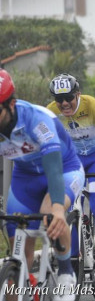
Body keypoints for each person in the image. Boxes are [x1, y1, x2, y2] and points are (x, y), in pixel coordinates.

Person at [0, 69, 84, 301]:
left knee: (50, 215)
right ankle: (23, 283)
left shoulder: (37, 119)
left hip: (64, 169)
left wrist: (58, 208)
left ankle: (67, 273)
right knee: (17, 240)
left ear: (11, 104)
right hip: (25, 177)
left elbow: (54, 168)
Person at [47, 73, 95, 287]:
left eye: (69, 97)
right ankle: (74, 258)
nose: (65, 104)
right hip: (73, 161)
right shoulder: (51, 112)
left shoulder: (91, 104)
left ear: (77, 94)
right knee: (70, 210)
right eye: (59, 100)